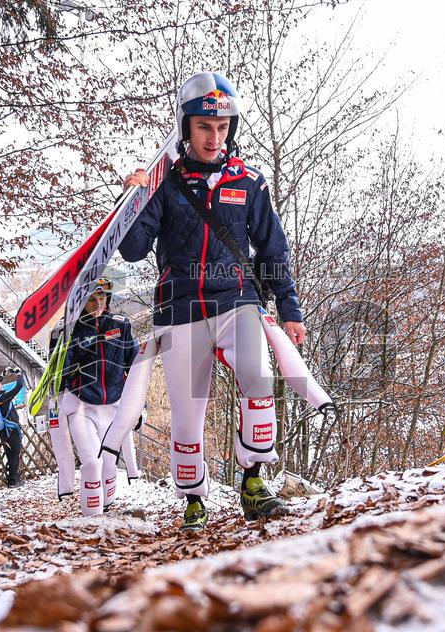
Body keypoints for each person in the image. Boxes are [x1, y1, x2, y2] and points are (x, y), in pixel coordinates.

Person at [120, 71, 307, 533]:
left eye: (223, 127)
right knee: (186, 420)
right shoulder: (163, 183)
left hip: (236, 300)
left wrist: (289, 309)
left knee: (258, 378)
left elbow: (273, 251)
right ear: (187, 127)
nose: (214, 137)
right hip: (180, 310)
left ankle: (253, 483)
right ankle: (194, 501)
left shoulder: (251, 182)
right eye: (205, 126)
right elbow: (131, 250)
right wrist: (135, 198)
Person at [59, 277, 139, 516]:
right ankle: (90, 521)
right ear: (81, 302)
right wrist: (75, 345)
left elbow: (135, 367)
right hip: (82, 405)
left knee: (107, 464)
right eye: (91, 300)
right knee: (92, 464)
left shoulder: (121, 325)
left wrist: (139, 407)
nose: (97, 305)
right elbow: (60, 373)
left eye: (102, 299)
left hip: (114, 406)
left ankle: (106, 511)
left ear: (108, 299)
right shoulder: (68, 329)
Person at [0, 367, 25, 487]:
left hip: (2, 430)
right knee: (14, 454)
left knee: (9, 455)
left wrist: (3, 374)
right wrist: (19, 374)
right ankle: (13, 481)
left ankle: (14, 478)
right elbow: (19, 386)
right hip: (11, 429)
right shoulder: (4, 398)